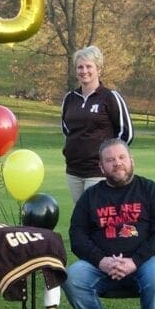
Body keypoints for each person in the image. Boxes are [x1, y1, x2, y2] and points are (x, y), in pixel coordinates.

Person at [62, 139, 155, 309]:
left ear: (132, 161)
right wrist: (102, 261)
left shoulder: (150, 190)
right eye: (110, 160)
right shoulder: (90, 197)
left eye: (122, 158)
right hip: (102, 267)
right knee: (72, 277)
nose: (117, 163)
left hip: (145, 264)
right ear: (101, 167)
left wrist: (135, 261)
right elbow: (77, 236)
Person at [60, 45, 134, 204]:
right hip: (74, 171)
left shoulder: (110, 97)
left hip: (98, 171)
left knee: (97, 216)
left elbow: (125, 134)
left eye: (88, 66)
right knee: (81, 216)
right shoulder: (70, 99)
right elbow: (67, 130)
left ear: (98, 69)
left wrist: (110, 160)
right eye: (80, 67)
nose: (84, 71)